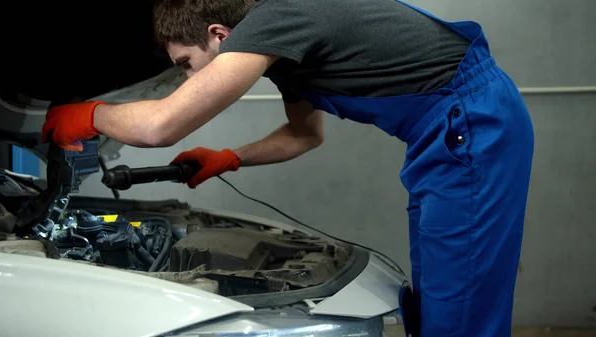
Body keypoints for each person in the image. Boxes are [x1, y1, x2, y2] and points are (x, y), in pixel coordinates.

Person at [41, 0, 535, 335]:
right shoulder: (284, 52)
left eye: (188, 63)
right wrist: (229, 158)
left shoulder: (272, 18)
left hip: (471, 124)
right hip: (449, 134)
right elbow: (304, 135)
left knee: (461, 311)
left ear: (219, 34)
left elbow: (161, 126)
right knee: (439, 298)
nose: (187, 77)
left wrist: (87, 114)